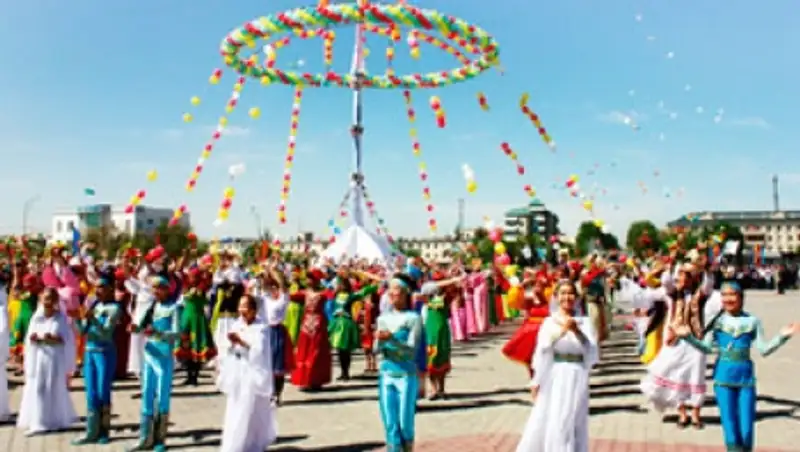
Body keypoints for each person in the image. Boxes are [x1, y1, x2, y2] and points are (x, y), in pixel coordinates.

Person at [675, 281, 800, 452]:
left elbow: (764, 349)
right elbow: (706, 348)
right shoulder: (717, 322)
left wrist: (782, 337)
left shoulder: (752, 321)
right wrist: (688, 337)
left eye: (732, 294)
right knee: (730, 429)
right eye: (724, 295)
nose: (728, 299)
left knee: (747, 430)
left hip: (746, 381)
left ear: (741, 297)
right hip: (723, 381)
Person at [515, 281, 598, 452]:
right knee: (557, 417)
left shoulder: (584, 322)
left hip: (577, 373)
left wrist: (577, 331)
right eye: (563, 293)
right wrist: (536, 381)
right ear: (556, 297)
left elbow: (592, 351)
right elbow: (543, 351)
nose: (567, 297)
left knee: (574, 418)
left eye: (571, 293)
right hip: (556, 374)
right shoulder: (550, 322)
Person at [217, 294, 278, 452]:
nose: (242, 310)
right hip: (238, 372)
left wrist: (241, 342)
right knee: (236, 408)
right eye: (240, 306)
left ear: (253, 310)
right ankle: (234, 444)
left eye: (245, 306)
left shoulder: (261, 328)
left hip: (253, 374)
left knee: (250, 409)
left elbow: (259, 351)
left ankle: (251, 443)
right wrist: (230, 345)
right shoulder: (236, 324)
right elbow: (226, 347)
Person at [126, 276, 180, 452]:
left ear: (167, 289)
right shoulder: (152, 307)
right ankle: (145, 437)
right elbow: (142, 327)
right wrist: (135, 328)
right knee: (147, 393)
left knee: (162, 396)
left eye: (159, 288)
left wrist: (159, 333)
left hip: (164, 356)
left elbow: (177, 334)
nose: (156, 291)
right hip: (149, 354)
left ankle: (160, 439)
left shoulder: (174, 308)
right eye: (153, 288)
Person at [16, 287, 78, 436]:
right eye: (45, 298)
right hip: (39, 358)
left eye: (50, 298)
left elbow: (66, 340)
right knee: (38, 388)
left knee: (53, 387)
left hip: (54, 358)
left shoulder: (60, 318)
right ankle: (38, 422)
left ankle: (53, 421)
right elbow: (29, 338)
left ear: (55, 301)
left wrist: (53, 338)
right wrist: (34, 339)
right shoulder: (36, 317)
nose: (48, 302)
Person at [72, 271, 122, 445]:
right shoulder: (94, 305)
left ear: (110, 289)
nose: (98, 290)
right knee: (90, 392)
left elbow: (106, 333)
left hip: (105, 353)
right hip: (90, 352)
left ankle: (104, 431)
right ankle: (91, 431)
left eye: (102, 287)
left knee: (103, 391)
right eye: (96, 287)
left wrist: (92, 319)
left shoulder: (115, 308)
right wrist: (77, 319)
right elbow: (83, 331)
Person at [375, 273, 423, 452]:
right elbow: (376, 349)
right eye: (390, 289)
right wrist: (378, 340)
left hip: (406, 376)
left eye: (397, 289)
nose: (392, 293)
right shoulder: (382, 318)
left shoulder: (414, 318)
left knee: (405, 424)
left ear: (405, 293)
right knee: (390, 423)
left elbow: (412, 350)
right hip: (386, 374)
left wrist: (392, 339)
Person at [176, 268, 216, 386]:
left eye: (193, 276)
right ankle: (189, 376)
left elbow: (205, 298)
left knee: (197, 347)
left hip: (197, 321)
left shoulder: (202, 289)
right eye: (190, 276)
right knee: (186, 348)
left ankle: (195, 377)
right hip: (186, 319)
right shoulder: (186, 287)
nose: (191, 278)